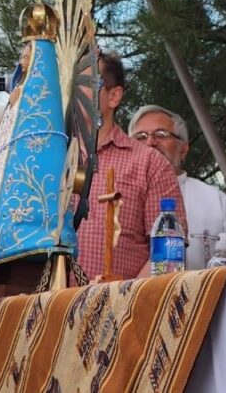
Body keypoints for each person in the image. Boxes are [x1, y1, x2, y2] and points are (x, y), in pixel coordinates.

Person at [75, 52, 186, 280]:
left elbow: (168, 254)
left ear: (114, 96)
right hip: (50, 309)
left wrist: (125, 299)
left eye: (85, 83)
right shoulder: (49, 159)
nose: (72, 92)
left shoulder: (150, 163)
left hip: (123, 311)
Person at [128, 105, 226, 269]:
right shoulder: (117, 199)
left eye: (161, 134)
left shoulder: (217, 202)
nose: (150, 142)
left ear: (183, 149)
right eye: (140, 137)